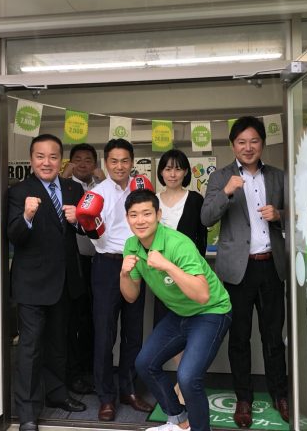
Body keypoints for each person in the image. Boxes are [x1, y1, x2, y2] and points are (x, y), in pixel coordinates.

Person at [201, 116, 289, 426]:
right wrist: (226, 192)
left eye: (253, 141)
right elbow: (206, 218)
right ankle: (243, 398)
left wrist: (280, 214)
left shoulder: (278, 177)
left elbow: (299, 215)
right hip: (237, 271)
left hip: (271, 266)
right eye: (241, 142)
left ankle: (280, 394)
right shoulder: (220, 177)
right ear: (233, 145)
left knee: (273, 336)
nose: (248, 147)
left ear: (262, 143)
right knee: (239, 338)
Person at [121, 189, 232, 431]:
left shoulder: (178, 244)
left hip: (211, 311)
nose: (140, 220)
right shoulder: (131, 245)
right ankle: (180, 421)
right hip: (180, 314)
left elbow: (202, 295)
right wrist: (124, 274)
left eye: (147, 213)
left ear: (158, 215)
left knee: (188, 378)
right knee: (145, 363)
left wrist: (167, 266)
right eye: (134, 215)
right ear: (127, 218)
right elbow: (130, 296)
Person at [7, 134, 87, 431]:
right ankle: (27, 411)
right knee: (30, 348)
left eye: (53, 157)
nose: (46, 162)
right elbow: (13, 236)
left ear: (60, 160)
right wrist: (27, 216)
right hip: (32, 284)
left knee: (58, 344)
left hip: (64, 281)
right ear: (31, 160)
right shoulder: (18, 192)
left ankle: (56, 393)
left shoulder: (73, 189)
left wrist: (79, 221)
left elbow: (90, 231)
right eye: (40, 156)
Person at [89, 138, 154, 421]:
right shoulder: (96, 193)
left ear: (132, 162)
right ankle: (106, 397)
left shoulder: (141, 190)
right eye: (114, 161)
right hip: (107, 265)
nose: (119, 166)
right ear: (106, 163)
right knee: (104, 334)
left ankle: (128, 389)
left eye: (124, 160)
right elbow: (94, 235)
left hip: (137, 263)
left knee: (133, 331)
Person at [155, 149, 209, 403]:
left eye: (178, 168)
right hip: (160, 278)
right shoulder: (153, 201)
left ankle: (185, 382)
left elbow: (201, 238)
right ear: (161, 172)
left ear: (186, 172)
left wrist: (195, 271)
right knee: (171, 329)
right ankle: (181, 381)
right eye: (168, 168)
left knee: (190, 328)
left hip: (188, 276)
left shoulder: (195, 199)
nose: (173, 174)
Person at [62, 143, 105, 394]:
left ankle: (90, 367)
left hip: (98, 260)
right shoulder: (66, 188)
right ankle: (75, 369)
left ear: (95, 164)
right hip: (75, 261)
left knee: (93, 316)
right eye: (77, 159)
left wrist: (104, 179)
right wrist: (64, 176)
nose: (82, 164)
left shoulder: (101, 187)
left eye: (88, 160)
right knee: (75, 317)